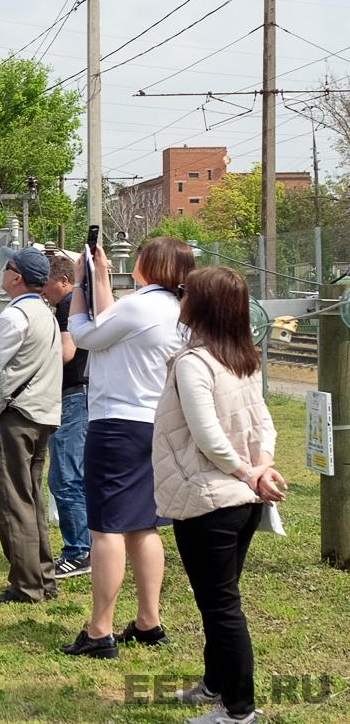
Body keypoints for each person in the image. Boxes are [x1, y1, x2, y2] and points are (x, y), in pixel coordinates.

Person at [153, 266, 285, 724]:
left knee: (221, 606)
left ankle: (239, 711)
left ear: (203, 305)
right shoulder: (242, 359)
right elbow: (264, 423)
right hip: (240, 501)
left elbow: (207, 435)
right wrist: (261, 469)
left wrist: (250, 472)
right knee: (219, 597)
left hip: (209, 498)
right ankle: (215, 684)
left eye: (186, 292)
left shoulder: (195, 363)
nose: (180, 297)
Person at [61, 235, 193, 659]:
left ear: (150, 265)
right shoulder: (179, 310)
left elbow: (85, 333)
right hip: (155, 423)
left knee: (106, 528)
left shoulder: (139, 306)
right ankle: (149, 621)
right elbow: (111, 320)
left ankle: (99, 630)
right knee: (143, 525)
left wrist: (80, 284)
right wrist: (99, 277)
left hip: (116, 423)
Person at [0, 246, 63, 605]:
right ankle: (43, 578)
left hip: (14, 416)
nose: (2, 273)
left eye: (6, 267)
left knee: (12, 501)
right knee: (31, 498)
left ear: (17, 277)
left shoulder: (14, 315)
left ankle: (26, 585)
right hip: (41, 414)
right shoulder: (46, 314)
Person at [43, 251, 92, 579]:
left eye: (46, 284)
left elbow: (66, 352)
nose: (43, 291)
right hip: (83, 396)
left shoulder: (68, 304)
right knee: (77, 475)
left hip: (72, 397)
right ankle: (88, 545)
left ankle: (78, 550)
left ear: (63, 280)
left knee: (65, 477)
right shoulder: (84, 301)